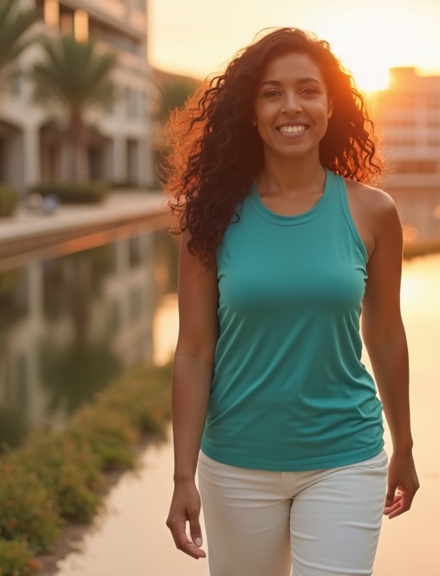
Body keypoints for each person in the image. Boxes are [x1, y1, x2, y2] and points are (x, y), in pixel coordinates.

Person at [164, 27, 418, 576]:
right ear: (250, 111)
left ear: (332, 106)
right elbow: (192, 352)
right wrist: (183, 475)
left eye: (308, 89)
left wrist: (405, 445)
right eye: (272, 92)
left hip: (345, 457)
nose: (291, 106)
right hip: (236, 463)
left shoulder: (372, 212)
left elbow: (386, 334)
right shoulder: (210, 219)